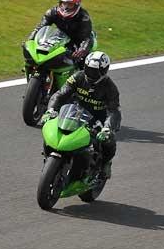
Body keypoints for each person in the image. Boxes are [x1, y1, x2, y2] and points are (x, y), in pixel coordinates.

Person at [42, 51, 122, 185]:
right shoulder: (78, 77)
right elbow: (60, 95)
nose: (90, 74)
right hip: (74, 113)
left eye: (94, 71)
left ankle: (105, 164)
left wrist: (107, 129)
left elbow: (113, 112)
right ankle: (49, 157)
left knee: (109, 140)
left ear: (103, 71)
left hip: (97, 120)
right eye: (88, 69)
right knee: (52, 127)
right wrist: (51, 110)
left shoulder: (110, 88)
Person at [23, 0, 95, 66]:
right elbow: (40, 27)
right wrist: (30, 40)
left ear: (76, 5)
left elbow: (87, 38)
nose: (66, 8)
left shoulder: (83, 17)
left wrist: (82, 50)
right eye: (64, 3)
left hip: (79, 40)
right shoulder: (52, 12)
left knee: (83, 62)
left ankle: (84, 75)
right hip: (61, 37)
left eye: (70, 4)